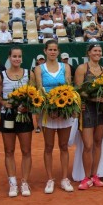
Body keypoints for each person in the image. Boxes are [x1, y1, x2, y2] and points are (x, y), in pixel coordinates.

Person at [34, 40, 74, 193]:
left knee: (64, 146)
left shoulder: (65, 67)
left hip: (64, 111)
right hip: (48, 112)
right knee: (49, 147)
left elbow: (69, 87)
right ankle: (50, 179)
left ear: (58, 51)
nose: (52, 52)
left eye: (55, 49)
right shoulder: (39, 69)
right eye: (50, 49)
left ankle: (64, 179)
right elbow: (39, 89)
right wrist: (49, 107)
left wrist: (62, 106)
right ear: (45, 51)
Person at [0, 46, 35, 197]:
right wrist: (4, 103)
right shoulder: (1, 76)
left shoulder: (28, 74)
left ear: (22, 58)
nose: (17, 59)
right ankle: (13, 183)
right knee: (9, 151)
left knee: (26, 151)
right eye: (14, 56)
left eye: (19, 56)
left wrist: (27, 105)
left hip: (24, 116)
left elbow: (33, 94)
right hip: (7, 117)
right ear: (9, 58)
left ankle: (24, 182)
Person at [75, 43, 103, 190]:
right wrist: (92, 98)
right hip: (86, 109)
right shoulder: (82, 68)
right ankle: (86, 177)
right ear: (89, 53)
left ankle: (95, 175)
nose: (98, 53)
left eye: (100, 51)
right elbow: (78, 90)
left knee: (98, 143)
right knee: (88, 145)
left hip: (101, 109)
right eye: (95, 50)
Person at [32, 54, 46, 134]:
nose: (41, 61)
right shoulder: (34, 70)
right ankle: (38, 126)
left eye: (42, 59)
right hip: (38, 93)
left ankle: (47, 125)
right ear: (37, 61)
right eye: (39, 60)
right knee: (38, 111)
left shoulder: (47, 69)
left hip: (46, 92)